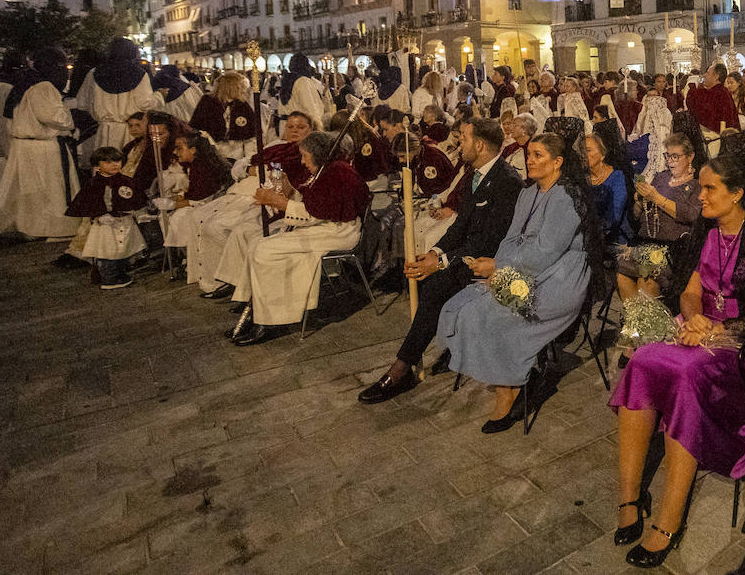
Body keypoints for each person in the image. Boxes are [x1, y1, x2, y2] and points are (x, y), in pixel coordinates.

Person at [610, 152, 745, 567]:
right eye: (701, 186)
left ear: (738, 193)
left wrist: (718, 331)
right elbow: (690, 290)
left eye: (710, 188)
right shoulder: (707, 229)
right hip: (698, 326)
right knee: (641, 360)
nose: (701, 195)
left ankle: (669, 521)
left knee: (686, 373)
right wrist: (694, 320)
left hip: (744, 342)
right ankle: (629, 497)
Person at [437, 128, 604, 431]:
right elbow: (511, 237)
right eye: (529, 155)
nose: (530, 160)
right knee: (461, 305)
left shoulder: (566, 197)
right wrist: (499, 266)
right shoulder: (528, 193)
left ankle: (509, 389)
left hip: (561, 277)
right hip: (521, 269)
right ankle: (512, 379)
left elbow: (547, 251)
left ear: (558, 162)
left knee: (490, 313)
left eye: (538, 156)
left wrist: (500, 266)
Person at [357, 117, 525, 403]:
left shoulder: (507, 181)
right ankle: (411, 359)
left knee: (435, 287)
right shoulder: (476, 173)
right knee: (430, 283)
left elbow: (489, 241)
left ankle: (402, 367)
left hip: (493, 263)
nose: (459, 143)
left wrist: (443, 262)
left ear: (481, 144)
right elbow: (460, 227)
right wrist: (435, 253)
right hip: (469, 255)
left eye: (464, 138)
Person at [227, 132, 371, 345]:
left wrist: (280, 203)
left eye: (305, 156)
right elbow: (316, 202)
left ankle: (269, 322)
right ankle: (255, 305)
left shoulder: (338, 172)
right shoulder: (326, 170)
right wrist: (286, 194)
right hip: (326, 227)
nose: (302, 161)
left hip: (339, 232)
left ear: (317, 154)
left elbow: (318, 212)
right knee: (258, 243)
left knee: (264, 250)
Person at [189, 112, 314, 299]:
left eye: (300, 127)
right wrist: (252, 169)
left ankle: (242, 286)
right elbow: (245, 165)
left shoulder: (308, 152)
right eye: (290, 127)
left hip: (278, 198)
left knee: (236, 230)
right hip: (248, 189)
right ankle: (229, 280)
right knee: (201, 219)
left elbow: (282, 176)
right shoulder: (275, 146)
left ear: (311, 129)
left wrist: (263, 172)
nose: (294, 131)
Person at [0, 47, 81, 239]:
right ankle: (45, 228)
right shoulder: (42, 86)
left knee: (26, 191)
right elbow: (53, 116)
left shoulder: (22, 83)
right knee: (46, 192)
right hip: (42, 147)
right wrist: (69, 112)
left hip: (23, 146)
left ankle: (26, 226)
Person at [626, 133, 701, 299]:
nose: (670, 161)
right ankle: (633, 318)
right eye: (668, 155)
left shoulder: (697, 184)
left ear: (690, 157)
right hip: (646, 242)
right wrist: (639, 200)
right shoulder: (661, 177)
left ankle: (646, 321)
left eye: (676, 156)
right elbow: (638, 214)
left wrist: (657, 198)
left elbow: (691, 215)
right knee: (621, 270)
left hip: (674, 250)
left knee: (646, 278)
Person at [66, 146, 146, 289]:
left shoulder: (126, 180)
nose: (114, 164)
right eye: (108, 162)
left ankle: (120, 274)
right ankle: (109, 278)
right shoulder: (94, 184)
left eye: (117, 161)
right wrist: (98, 214)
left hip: (124, 221)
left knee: (123, 250)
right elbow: (89, 201)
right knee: (107, 250)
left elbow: (136, 197)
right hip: (106, 224)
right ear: (98, 166)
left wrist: (136, 210)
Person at [162, 131, 233, 290]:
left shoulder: (203, 167)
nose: (175, 152)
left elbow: (200, 198)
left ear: (193, 149)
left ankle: (191, 261)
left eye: (179, 148)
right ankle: (186, 258)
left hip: (212, 205)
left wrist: (171, 205)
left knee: (180, 217)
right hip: (203, 203)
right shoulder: (195, 164)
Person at [75, 38, 157, 162]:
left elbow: (82, 103)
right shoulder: (139, 74)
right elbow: (145, 103)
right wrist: (159, 97)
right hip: (130, 132)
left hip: (104, 132)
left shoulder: (94, 73)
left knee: (105, 171)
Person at [188, 71, 257, 161]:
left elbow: (250, 135)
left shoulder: (242, 105)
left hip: (236, 151)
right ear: (231, 87)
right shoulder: (207, 102)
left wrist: (250, 158)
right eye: (240, 87)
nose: (243, 90)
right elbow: (197, 126)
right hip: (211, 148)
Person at [586, 129, 635, 248]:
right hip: (587, 239)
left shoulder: (617, 177)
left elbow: (613, 216)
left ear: (602, 155)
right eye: (581, 150)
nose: (583, 154)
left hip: (615, 240)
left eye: (588, 150)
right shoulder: (581, 178)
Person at [686, 63, 740, 134]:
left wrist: (692, 88)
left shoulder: (718, 93)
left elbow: (695, 107)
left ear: (716, 77)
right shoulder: (722, 91)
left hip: (716, 137)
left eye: (708, 73)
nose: (705, 75)